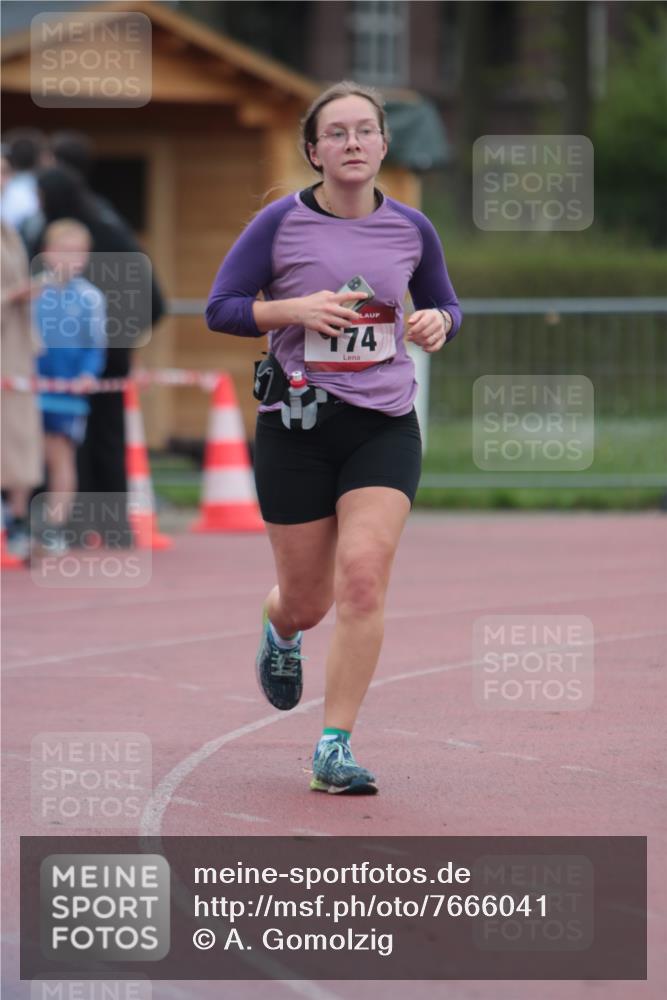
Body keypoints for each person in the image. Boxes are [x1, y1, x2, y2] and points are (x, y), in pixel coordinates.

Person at [206, 81, 462, 795]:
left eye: (365, 131)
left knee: (361, 576)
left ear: (383, 145)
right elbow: (220, 309)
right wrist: (296, 309)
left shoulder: (411, 228)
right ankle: (279, 627)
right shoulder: (279, 225)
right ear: (313, 151)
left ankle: (332, 747)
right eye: (337, 133)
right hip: (297, 424)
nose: (352, 143)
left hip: (382, 422)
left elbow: (442, 300)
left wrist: (440, 322)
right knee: (308, 599)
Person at [26, 164, 165, 544]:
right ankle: (110, 528)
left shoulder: (70, 236)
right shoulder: (112, 228)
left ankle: (70, 527)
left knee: (71, 448)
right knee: (99, 442)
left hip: (90, 357)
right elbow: (153, 301)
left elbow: (152, 300)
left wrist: (113, 342)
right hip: (90, 357)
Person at [33, 219, 106, 553]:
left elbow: (95, 345)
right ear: (47, 253)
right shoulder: (32, 292)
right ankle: (16, 520)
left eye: (78, 252)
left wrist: (88, 375)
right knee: (23, 455)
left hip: (68, 395)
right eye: (63, 250)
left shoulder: (91, 298)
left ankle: (54, 526)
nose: (70, 258)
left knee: (60, 457)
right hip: (29, 389)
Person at [1, 154, 44, 560]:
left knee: (18, 438)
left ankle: (14, 523)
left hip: (13, 349)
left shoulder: (8, 229)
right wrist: (13, 295)